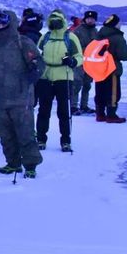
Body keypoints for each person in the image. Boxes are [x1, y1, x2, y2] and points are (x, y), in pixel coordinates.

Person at [0, 9, 43, 178]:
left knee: (25, 133)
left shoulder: (23, 42)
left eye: (3, 21)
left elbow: (38, 62)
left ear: (11, 22)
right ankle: (13, 163)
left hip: (21, 97)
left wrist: (34, 71)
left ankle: (30, 164)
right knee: (6, 135)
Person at [35, 10, 83, 152]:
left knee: (64, 111)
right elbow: (37, 53)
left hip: (64, 76)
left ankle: (66, 141)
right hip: (45, 76)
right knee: (44, 110)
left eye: (57, 20)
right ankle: (41, 139)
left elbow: (80, 56)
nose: (55, 23)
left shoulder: (71, 37)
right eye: (52, 20)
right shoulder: (45, 37)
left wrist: (73, 61)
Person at [93, 14, 127, 123]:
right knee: (113, 93)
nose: (120, 25)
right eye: (119, 23)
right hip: (112, 69)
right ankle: (111, 115)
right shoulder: (117, 37)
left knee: (100, 91)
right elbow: (123, 55)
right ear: (115, 24)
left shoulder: (99, 35)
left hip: (99, 68)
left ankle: (100, 114)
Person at [71, 10, 98, 115]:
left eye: (92, 19)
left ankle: (84, 105)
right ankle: (73, 106)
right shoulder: (77, 31)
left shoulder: (96, 31)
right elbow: (73, 47)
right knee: (77, 83)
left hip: (90, 62)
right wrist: (89, 48)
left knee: (87, 84)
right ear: (85, 19)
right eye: (88, 18)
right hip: (79, 61)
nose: (90, 20)